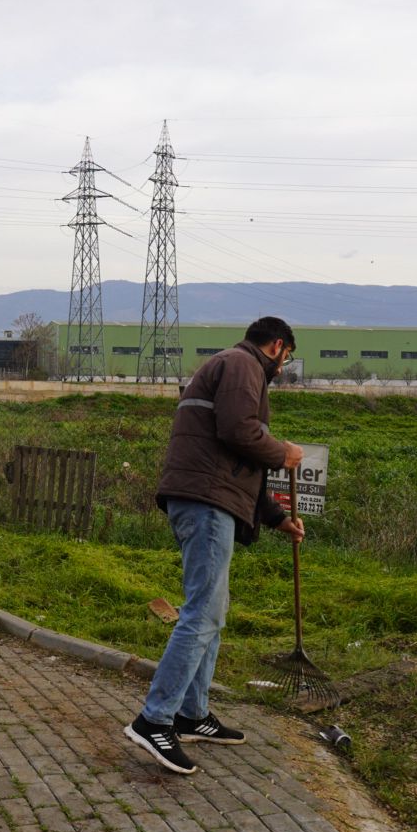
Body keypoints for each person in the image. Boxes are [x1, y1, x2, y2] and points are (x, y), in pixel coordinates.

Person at [124, 316, 307, 774]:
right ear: (277, 346)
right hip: (206, 504)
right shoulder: (244, 365)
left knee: (213, 611)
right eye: (287, 358)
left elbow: (240, 459)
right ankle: (154, 719)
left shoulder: (235, 366)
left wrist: (277, 518)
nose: (284, 369)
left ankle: (192, 713)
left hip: (210, 499)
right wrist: (282, 449)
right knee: (202, 611)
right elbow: (239, 431)